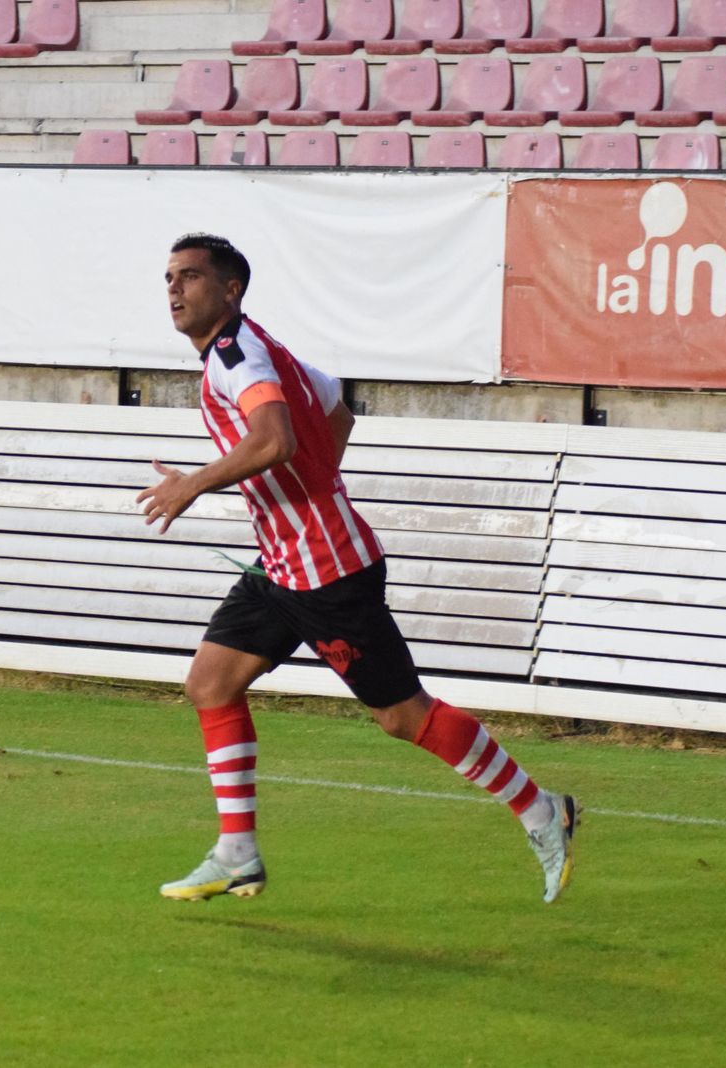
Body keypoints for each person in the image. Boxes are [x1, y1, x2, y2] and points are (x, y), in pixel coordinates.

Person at [137, 233, 580, 904]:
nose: (174, 288)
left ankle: (544, 811)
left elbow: (275, 438)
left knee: (405, 717)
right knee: (210, 683)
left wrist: (196, 483)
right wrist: (311, 493)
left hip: (327, 573)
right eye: (169, 277)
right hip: (282, 563)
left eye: (191, 277)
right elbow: (336, 406)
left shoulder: (236, 354)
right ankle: (237, 853)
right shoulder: (260, 350)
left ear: (231, 291)